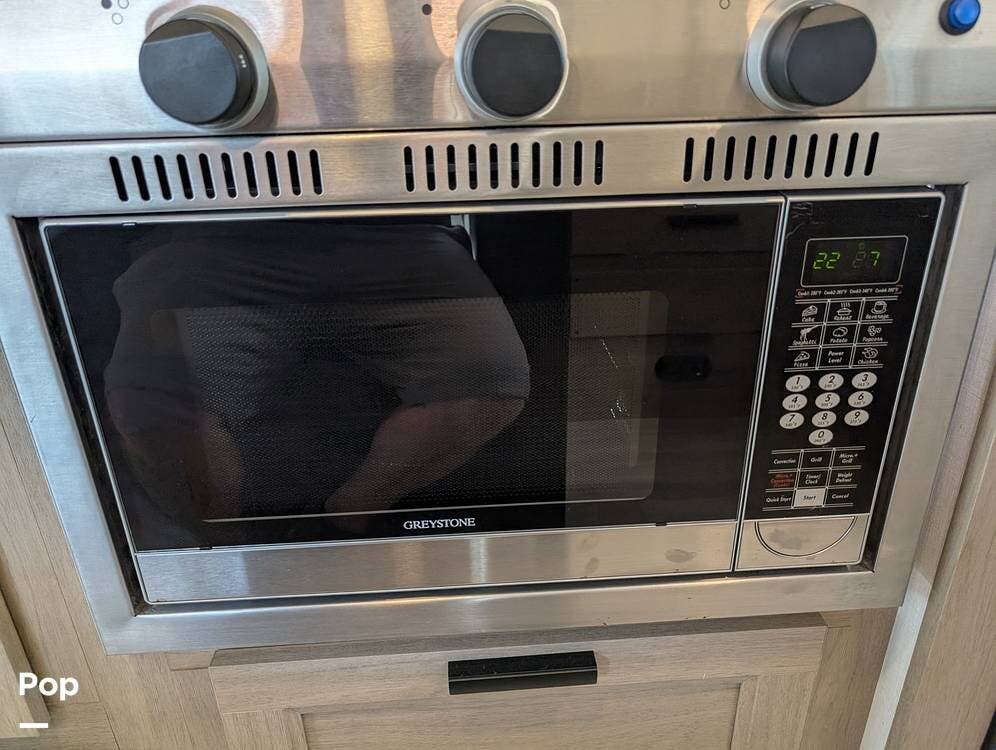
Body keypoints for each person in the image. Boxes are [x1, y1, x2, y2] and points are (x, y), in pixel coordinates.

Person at [103, 220, 529, 534]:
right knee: (146, 408)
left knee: (491, 383)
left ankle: (352, 513)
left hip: (401, 236)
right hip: (205, 238)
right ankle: (224, 548)